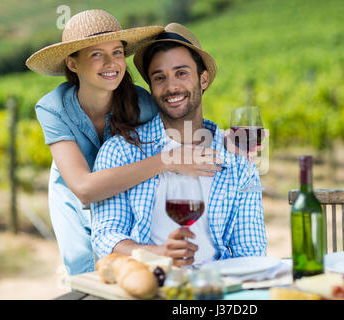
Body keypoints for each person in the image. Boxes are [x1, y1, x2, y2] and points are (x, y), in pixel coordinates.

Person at [26, 11, 221, 275]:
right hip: (71, 191)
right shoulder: (53, 108)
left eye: (117, 52)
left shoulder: (142, 103)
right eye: (97, 54)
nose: (111, 63)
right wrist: (168, 161)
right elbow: (83, 188)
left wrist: (227, 141)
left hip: (121, 191)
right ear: (73, 64)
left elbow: (184, 118)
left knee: (120, 268)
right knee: (83, 270)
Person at [91, 23, 267, 267]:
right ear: (151, 87)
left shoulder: (237, 155)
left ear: (203, 79)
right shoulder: (121, 151)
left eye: (181, 73)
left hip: (217, 288)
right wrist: (157, 254)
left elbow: (251, 251)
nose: (171, 87)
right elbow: (105, 236)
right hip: (151, 284)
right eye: (159, 78)